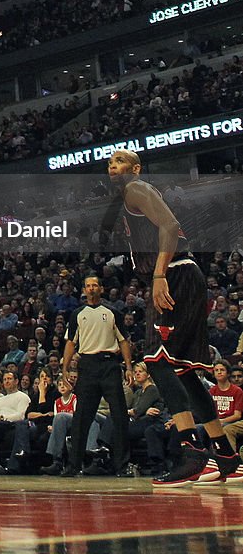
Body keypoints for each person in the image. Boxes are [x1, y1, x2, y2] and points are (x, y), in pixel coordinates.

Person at [109, 149, 242, 485]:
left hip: (176, 275)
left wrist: (158, 275)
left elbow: (171, 225)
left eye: (119, 161)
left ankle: (192, 452)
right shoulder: (131, 197)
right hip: (184, 275)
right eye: (110, 163)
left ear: (135, 169)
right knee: (183, 371)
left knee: (157, 361)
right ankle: (225, 456)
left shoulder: (136, 189)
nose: (112, 167)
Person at [60, 273, 133, 478]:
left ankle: (122, 465)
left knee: (119, 415)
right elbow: (71, 343)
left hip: (109, 364)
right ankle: (73, 465)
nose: (91, 288)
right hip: (87, 365)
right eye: (88, 286)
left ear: (101, 289)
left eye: (95, 285)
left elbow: (124, 341)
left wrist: (128, 367)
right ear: (84, 290)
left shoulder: (112, 312)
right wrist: (65, 368)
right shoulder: (77, 314)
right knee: (81, 417)